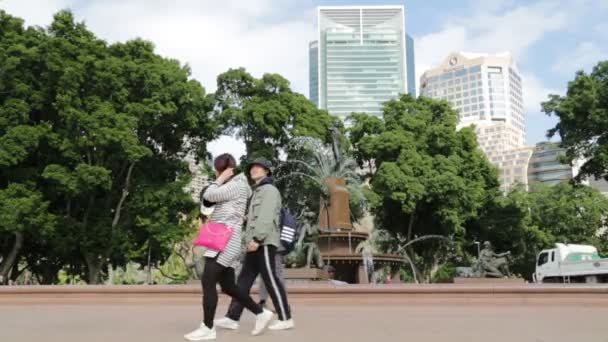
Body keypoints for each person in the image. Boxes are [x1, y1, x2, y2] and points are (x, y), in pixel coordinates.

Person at [184, 154, 273, 341]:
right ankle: (260, 313)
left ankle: (207, 328)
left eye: (218, 170)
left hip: (226, 241)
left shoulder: (237, 184)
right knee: (228, 286)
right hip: (224, 241)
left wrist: (219, 179)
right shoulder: (236, 186)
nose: (217, 173)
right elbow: (206, 204)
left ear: (224, 169)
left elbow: (208, 195)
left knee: (208, 279)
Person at [214, 158, 294, 332]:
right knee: (243, 282)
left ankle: (286, 318)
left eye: (259, 167)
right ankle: (232, 318)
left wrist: (257, 239)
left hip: (263, 242)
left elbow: (265, 216)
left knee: (271, 279)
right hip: (253, 243)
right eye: (252, 168)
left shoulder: (269, 190)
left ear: (267, 171)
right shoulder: (257, 191)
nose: (254, 170)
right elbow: (255, 218)